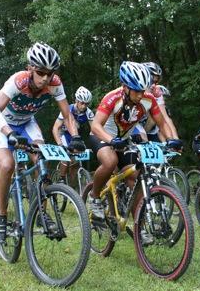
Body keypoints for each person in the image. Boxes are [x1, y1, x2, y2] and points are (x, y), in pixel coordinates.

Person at [0, 42, 85, 243]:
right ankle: (1, 215)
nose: (45, 78)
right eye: (41, 72)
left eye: (50, 73)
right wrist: (9, 133)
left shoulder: (55, 84)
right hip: (3, 124)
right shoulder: (18, 81)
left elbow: (67, 114)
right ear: (30, 68)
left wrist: (74, 136)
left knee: (41, 159)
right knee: (6, 165)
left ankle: (41, 212)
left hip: (27, 123)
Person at [88, 61, 180, 243]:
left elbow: (161, 123)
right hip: (102, 135)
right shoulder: (112, 98)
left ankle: (140, 226)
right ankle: (94, 197)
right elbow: (96, 125)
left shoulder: (148, 99)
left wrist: (171, 140)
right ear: (125, 87)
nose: (140, 95)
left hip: (124, 139)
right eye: (136, 91)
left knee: (135, 176)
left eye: (142, 90)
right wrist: (111, 140)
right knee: (110, 161)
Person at [52, 86, 94, 181]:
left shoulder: (89, 112)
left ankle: (73, 183)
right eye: (82, 103)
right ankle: (61, 179)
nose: (84, 106)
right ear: (76, 100)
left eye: (86, 104)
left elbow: (94, 129)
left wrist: (93, 145)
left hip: (75, 135)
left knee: (76, 161)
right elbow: (55, 128)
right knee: (66, 157)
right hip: (62, 133)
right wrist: (60, 144)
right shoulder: (67, 109)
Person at [141, 62, 178, 142]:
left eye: (156, 82)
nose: (153, 85)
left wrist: (175, 139)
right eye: (151, 81)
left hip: (149, 128)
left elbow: (165, 118)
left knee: (159, 116)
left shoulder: (156, 92)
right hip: (133, 127)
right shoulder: (134, 92)